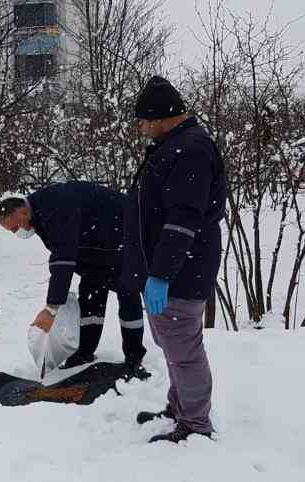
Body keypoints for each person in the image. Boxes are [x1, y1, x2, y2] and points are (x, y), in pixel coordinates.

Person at [123, 75, 226, 443]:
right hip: (173, 268)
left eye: (144, 120)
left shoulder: (191, 150)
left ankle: (196, 424)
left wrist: (162, 273)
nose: (141, 127)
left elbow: (183, 218)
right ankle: (179, 406)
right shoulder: (176, 145)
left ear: (162, 116)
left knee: (183, 349)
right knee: (172, 343)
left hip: (182, 270)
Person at [0, 182, 150, 380]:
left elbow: (62, 259)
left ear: (23, 211)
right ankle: (85, 352)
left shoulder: (53, 206)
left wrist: (51, 308)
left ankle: (134, 355)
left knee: (127, 292)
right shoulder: (39, 214)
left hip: (125, 237)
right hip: (96, 248)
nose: (16, 232)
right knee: (90, 292)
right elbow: (65, 251)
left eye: (15, 227)